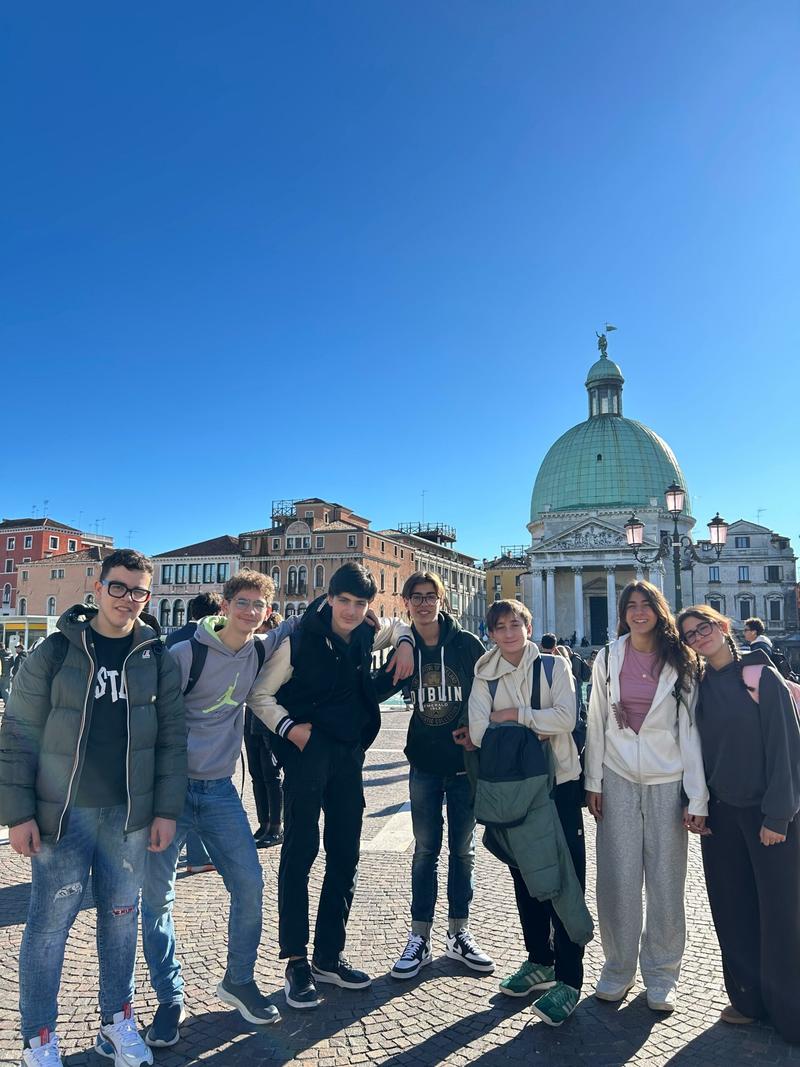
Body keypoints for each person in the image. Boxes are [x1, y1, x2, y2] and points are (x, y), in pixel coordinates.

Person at [0, 549, 187, 1067]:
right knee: (48, 927)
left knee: (122, 920)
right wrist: (18, 814)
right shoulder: (56, 650)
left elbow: (173, 740)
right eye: (118, 587)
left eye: (138, 591)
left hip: (129, 816)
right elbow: (16, 732)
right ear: (99, 589)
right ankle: (39, 1039)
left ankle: (117, 1022)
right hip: (63, 815)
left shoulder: (155, 657)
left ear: (148, 598)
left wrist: (166, 811)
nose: (127, 598)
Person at [247, 563, 414, 1011]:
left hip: (348, 755)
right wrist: (291, 729)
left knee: (345, 854)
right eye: (345, 601)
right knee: (299, 853)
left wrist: (403, 643)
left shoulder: (365, 631)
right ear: (329, 597)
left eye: (360, 604)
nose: (352, 611)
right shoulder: (298, 638)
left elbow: (400, 625)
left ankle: (328, 955)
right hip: (307, 753)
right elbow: (260, 695)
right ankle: (296, 961)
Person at [141, 570, 293, 1045]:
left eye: (259, 605)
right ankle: (169, 997)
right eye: (242, 602)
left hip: (220, 791)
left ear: (268, 612)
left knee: (249, 883)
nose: (250, 611)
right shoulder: (186, 653)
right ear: (224, 606)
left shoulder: (261, 649)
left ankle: (239, 980)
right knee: (157, 899)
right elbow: (149, 715)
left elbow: (310, 621)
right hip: (170, 792)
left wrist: (400, 635)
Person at [677, 604, 800, 1041]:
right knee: (732, 910)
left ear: (722, 626)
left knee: (781, 915)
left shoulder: (761, 677)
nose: (699, 637)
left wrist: (778, 815)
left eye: (703, 627)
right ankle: (748, 1001)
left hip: (768, 815)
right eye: (690, 635)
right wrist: (695, 804)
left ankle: (791, 1015)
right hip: (721, 816)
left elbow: (786, 748)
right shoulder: (696, 686)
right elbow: (691, 750)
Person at [585, 580, 707, 1013]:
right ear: (623, 613)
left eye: (646, 605)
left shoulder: (682, 660)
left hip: (667, 780)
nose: (639, 612)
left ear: (659, 610)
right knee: (616, 879)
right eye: (631, 606)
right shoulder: (607, 656)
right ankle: (617, 968)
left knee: (666, 881)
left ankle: (662, 973)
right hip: (617, 775)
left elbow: (691, 731)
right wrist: (594, 781)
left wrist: (697, 797)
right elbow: (597, 719)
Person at [469, 600, 588, 1027]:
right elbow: (479, 732)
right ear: (491, 633)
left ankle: (570, 978)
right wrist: (533, 726)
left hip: (559, 785)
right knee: (524, 876)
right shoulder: (484, 674)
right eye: (500, 626)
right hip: (514, 789)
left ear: (529, 627)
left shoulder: (555, 667)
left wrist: (512, 716)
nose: (508, 632)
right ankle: (540, 960)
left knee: (564, 876)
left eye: (515, 624)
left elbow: (566, 718)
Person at [381, 571, 494, 981]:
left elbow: (487, 693)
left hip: (464, 766)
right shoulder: (405, 644)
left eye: (431, 596)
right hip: (424, 764)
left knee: (463, 851)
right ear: (407, 602)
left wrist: (474, 730)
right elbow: (374, 682)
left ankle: (459, 932)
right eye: (417, 597)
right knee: (425, 852)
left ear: (441, 601)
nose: (424, 603)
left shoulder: (466, 644)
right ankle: (420, 936)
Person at [166, 593, 224, 874]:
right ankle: (198, 858)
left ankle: (171, 857)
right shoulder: (214, 638)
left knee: (178, 794)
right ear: (217, 612)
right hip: (204, 727)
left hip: (173, 724)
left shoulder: (172, 638)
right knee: (199, 794)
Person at [244, 613, 285, 847]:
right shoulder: (254, 653)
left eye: (264, 631)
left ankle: (276, 826)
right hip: (251, 717)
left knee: (271, 774)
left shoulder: (278, 658)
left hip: (268, 720)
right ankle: (264, 822)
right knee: (256, 773)